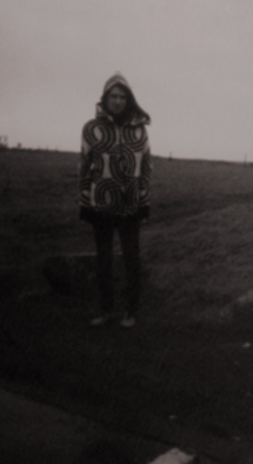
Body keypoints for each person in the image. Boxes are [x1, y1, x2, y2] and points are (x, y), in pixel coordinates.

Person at [79, 73, 152, 328]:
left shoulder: (139, 130)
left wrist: (144, 202)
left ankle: (130, 312)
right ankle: (106, 310)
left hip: (131, 205)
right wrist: (84, 203)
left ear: (128, 99)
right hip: (101, 204)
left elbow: (146, 169)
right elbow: (84, 167)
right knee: (104, 261)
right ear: (105, 98)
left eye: (123, 96)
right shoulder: (91, 129)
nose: (118, 101)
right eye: (113, 96)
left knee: (132, 260)